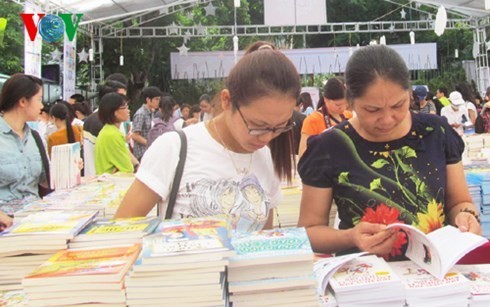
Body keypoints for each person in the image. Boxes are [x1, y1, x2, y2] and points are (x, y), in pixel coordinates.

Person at [297, 45, 481, 261]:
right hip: (366, 279)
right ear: (351, 101)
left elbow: (459, 202)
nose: (387, 119)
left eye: (398, 105)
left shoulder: (436, 132)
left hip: (436, 275)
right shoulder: (330, 146)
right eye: (372, 110)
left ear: (409, 93)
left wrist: (466, 215)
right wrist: (350, 237)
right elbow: (309, 231)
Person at [115, 41, 300, 233]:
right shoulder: (174, 147)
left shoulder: (265, 157)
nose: (267, 137)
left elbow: (263, 239)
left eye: (279, 127)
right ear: (227, 100)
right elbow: (122, 232)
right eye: (257, 126)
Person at [0, 73, 48, 210]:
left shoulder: (35, 138)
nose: (42, 106)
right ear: (22, 102)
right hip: (5, 223)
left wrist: (70, 167)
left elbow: (45, 181)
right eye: (39, 100)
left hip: (34, 218)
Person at [298, 77, 349, 158]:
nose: (343, 108)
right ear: (326, 99)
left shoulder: (349, 116)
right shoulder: (312, 120)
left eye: (346, 104)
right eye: (338, 105)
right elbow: (303, 155)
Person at [95, 93, 138, 175]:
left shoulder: (109, 130)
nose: (128, 111)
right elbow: (127, 168)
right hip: (112, 184)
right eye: (125, 108)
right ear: (115, 112)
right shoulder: (112, 135)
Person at [131, 86, 161, 161]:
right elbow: (135, 135)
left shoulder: (152, 113)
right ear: (148, 100)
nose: (158, 102)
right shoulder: (141, 114)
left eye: (159, 99)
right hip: (142, 153)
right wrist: (149, 143)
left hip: (150, 151)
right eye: (156, 99)